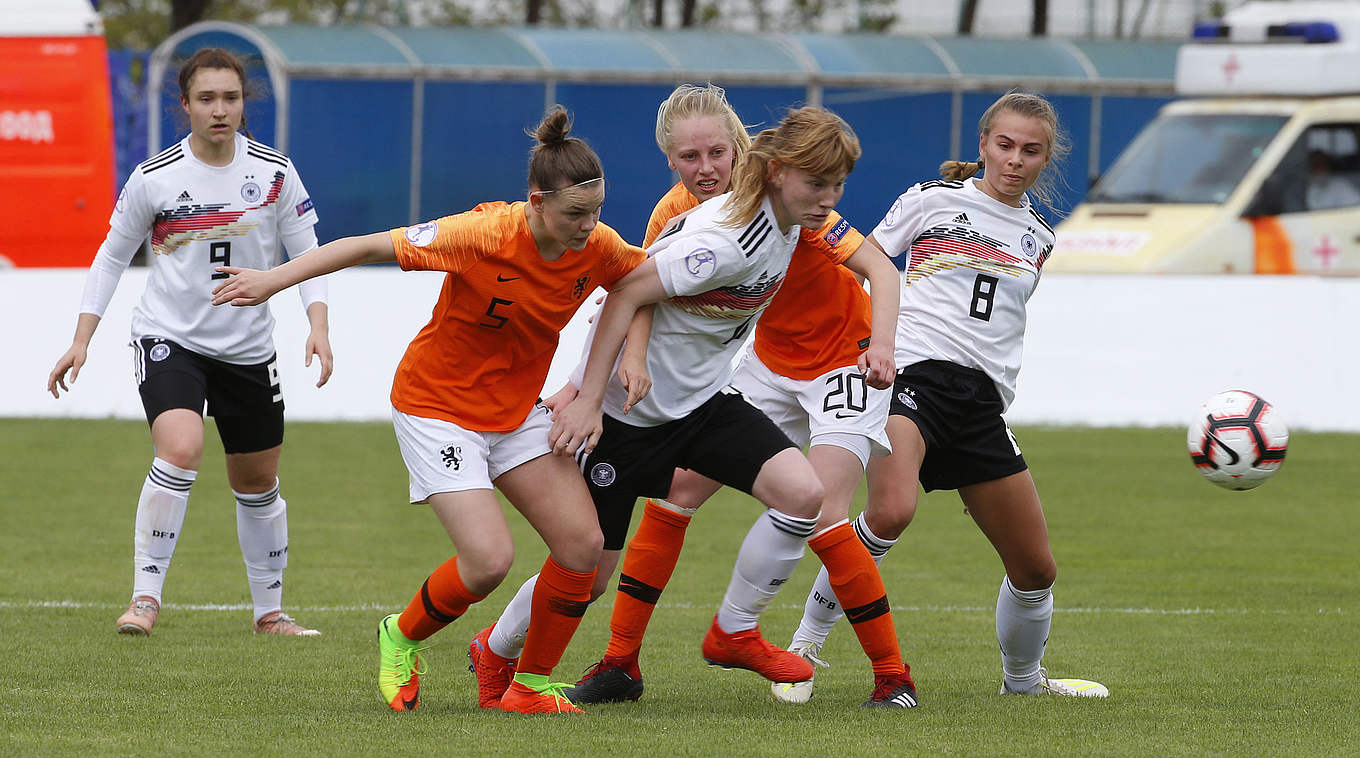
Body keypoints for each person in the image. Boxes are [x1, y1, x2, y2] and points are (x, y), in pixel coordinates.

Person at [475, 102, 918, 709]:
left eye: (837, 185)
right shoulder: (729, 241)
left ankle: (733, 633)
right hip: (632, 418)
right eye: (818, 184)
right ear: (779, 172)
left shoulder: (790, 216)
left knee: (804, 492)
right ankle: (496, 649)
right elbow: (625, 291)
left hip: (702, 405)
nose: (829, 198)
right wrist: (585, 397)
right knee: (588, 572)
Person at [209, 107, 644, 714]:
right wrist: (272, 281)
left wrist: (601, 385)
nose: (589, 226)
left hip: (516, 412)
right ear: (536, 200)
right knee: (489, 561)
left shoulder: (596, 245)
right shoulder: (483, 235)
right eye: (575, 214)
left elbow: (640, 284)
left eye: (597, 211)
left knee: (583, 547)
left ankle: (530, 684)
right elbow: (365, 245)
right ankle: (402, 635)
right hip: (436, 407)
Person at [780, 90, 1109, 699]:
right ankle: (804, 648)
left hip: (979, 403)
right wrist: (865, 341)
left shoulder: (1040, 238)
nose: (1014, 160)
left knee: (1036, 569)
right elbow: (865, 261)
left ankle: (1025, 683)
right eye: (1004, 145)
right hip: (912, 376)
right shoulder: (932, 202)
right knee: (889, 512)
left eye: (1030, 151)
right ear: (983, 144)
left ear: (1045, 159)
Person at [47, 48, 332, 638]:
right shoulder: (155, 178)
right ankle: (144, 600)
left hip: (249, 348)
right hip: (170, 337)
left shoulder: (275, 173)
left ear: (243, 103)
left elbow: (311, 256)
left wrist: (319, 327)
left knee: (256, 481)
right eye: (206, 99)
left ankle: (270, 613)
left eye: (230, 97)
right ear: (185, 106)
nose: (220, 109)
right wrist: (81, 340)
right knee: (179, 446)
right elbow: (109, 258)